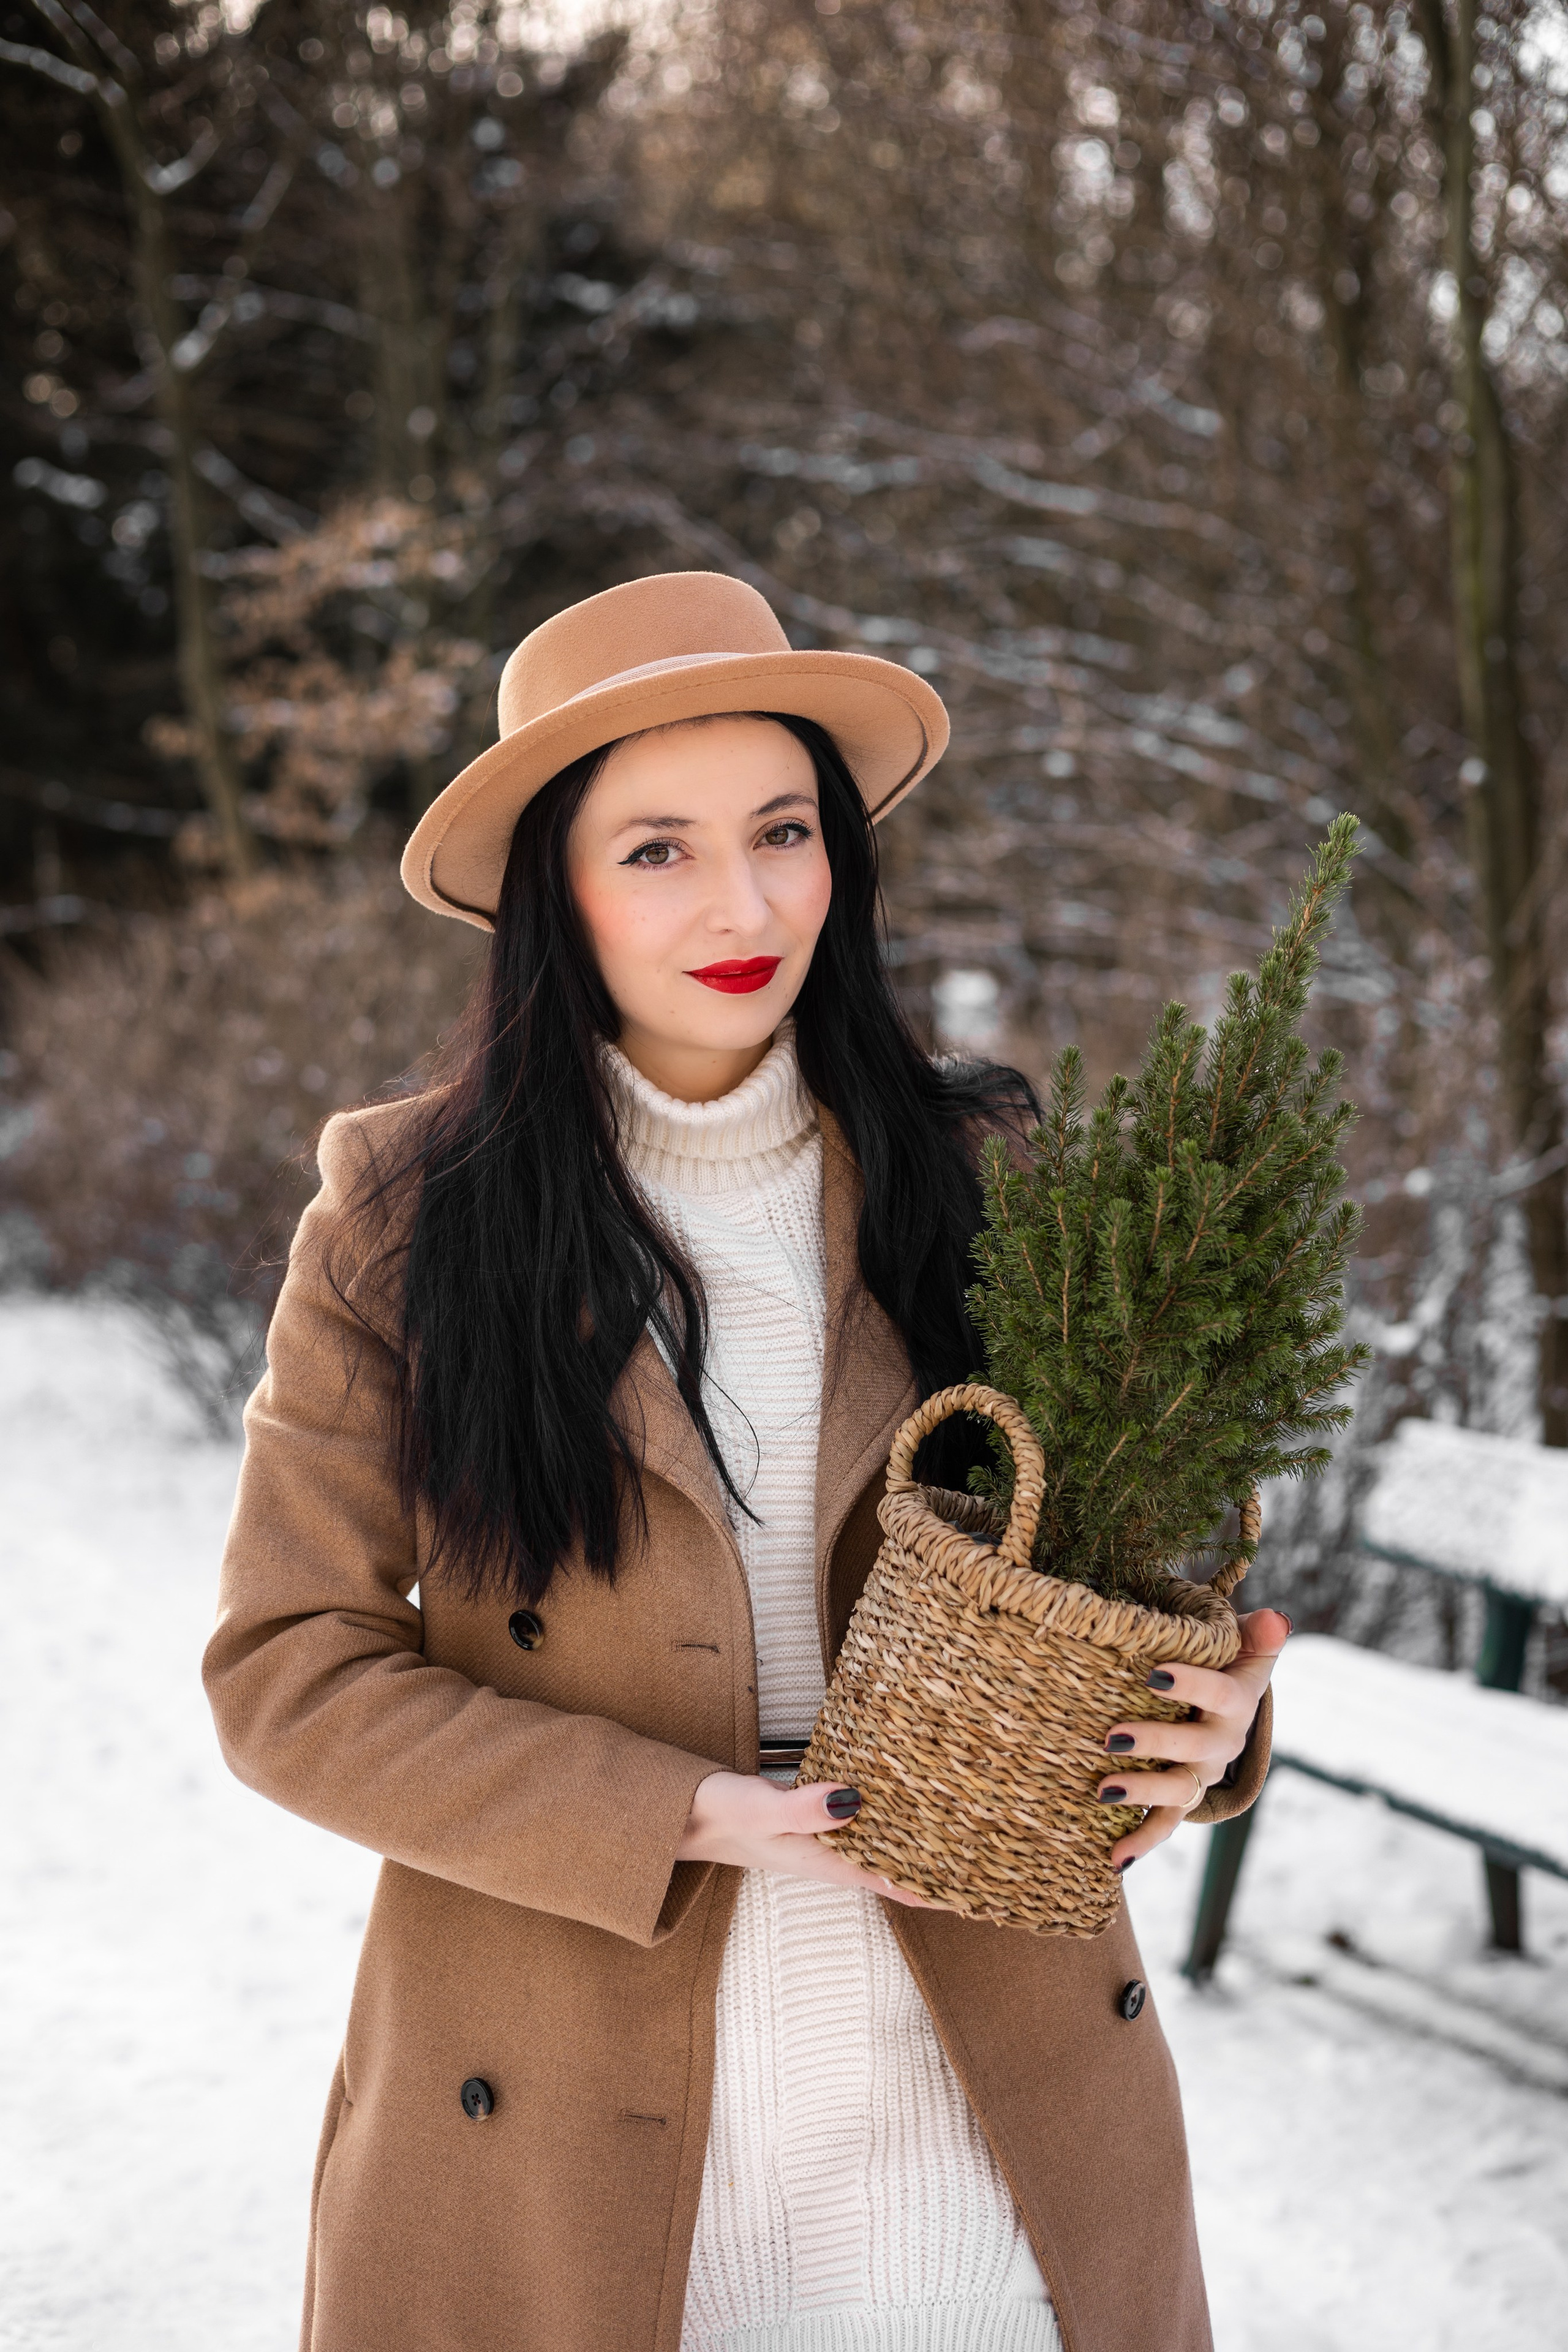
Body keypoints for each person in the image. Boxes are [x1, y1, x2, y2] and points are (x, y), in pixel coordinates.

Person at [204, 571, 1284, 2352]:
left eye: (784, 831)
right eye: (657, 850)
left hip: (981, 2091)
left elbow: (1124, 1578)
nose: (743, 900)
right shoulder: (409, 1220)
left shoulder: (986, 1178)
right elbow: (287, 1672)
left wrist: (1206, 1724)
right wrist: (680, 1817)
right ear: (552, 888)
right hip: (566, 2099)